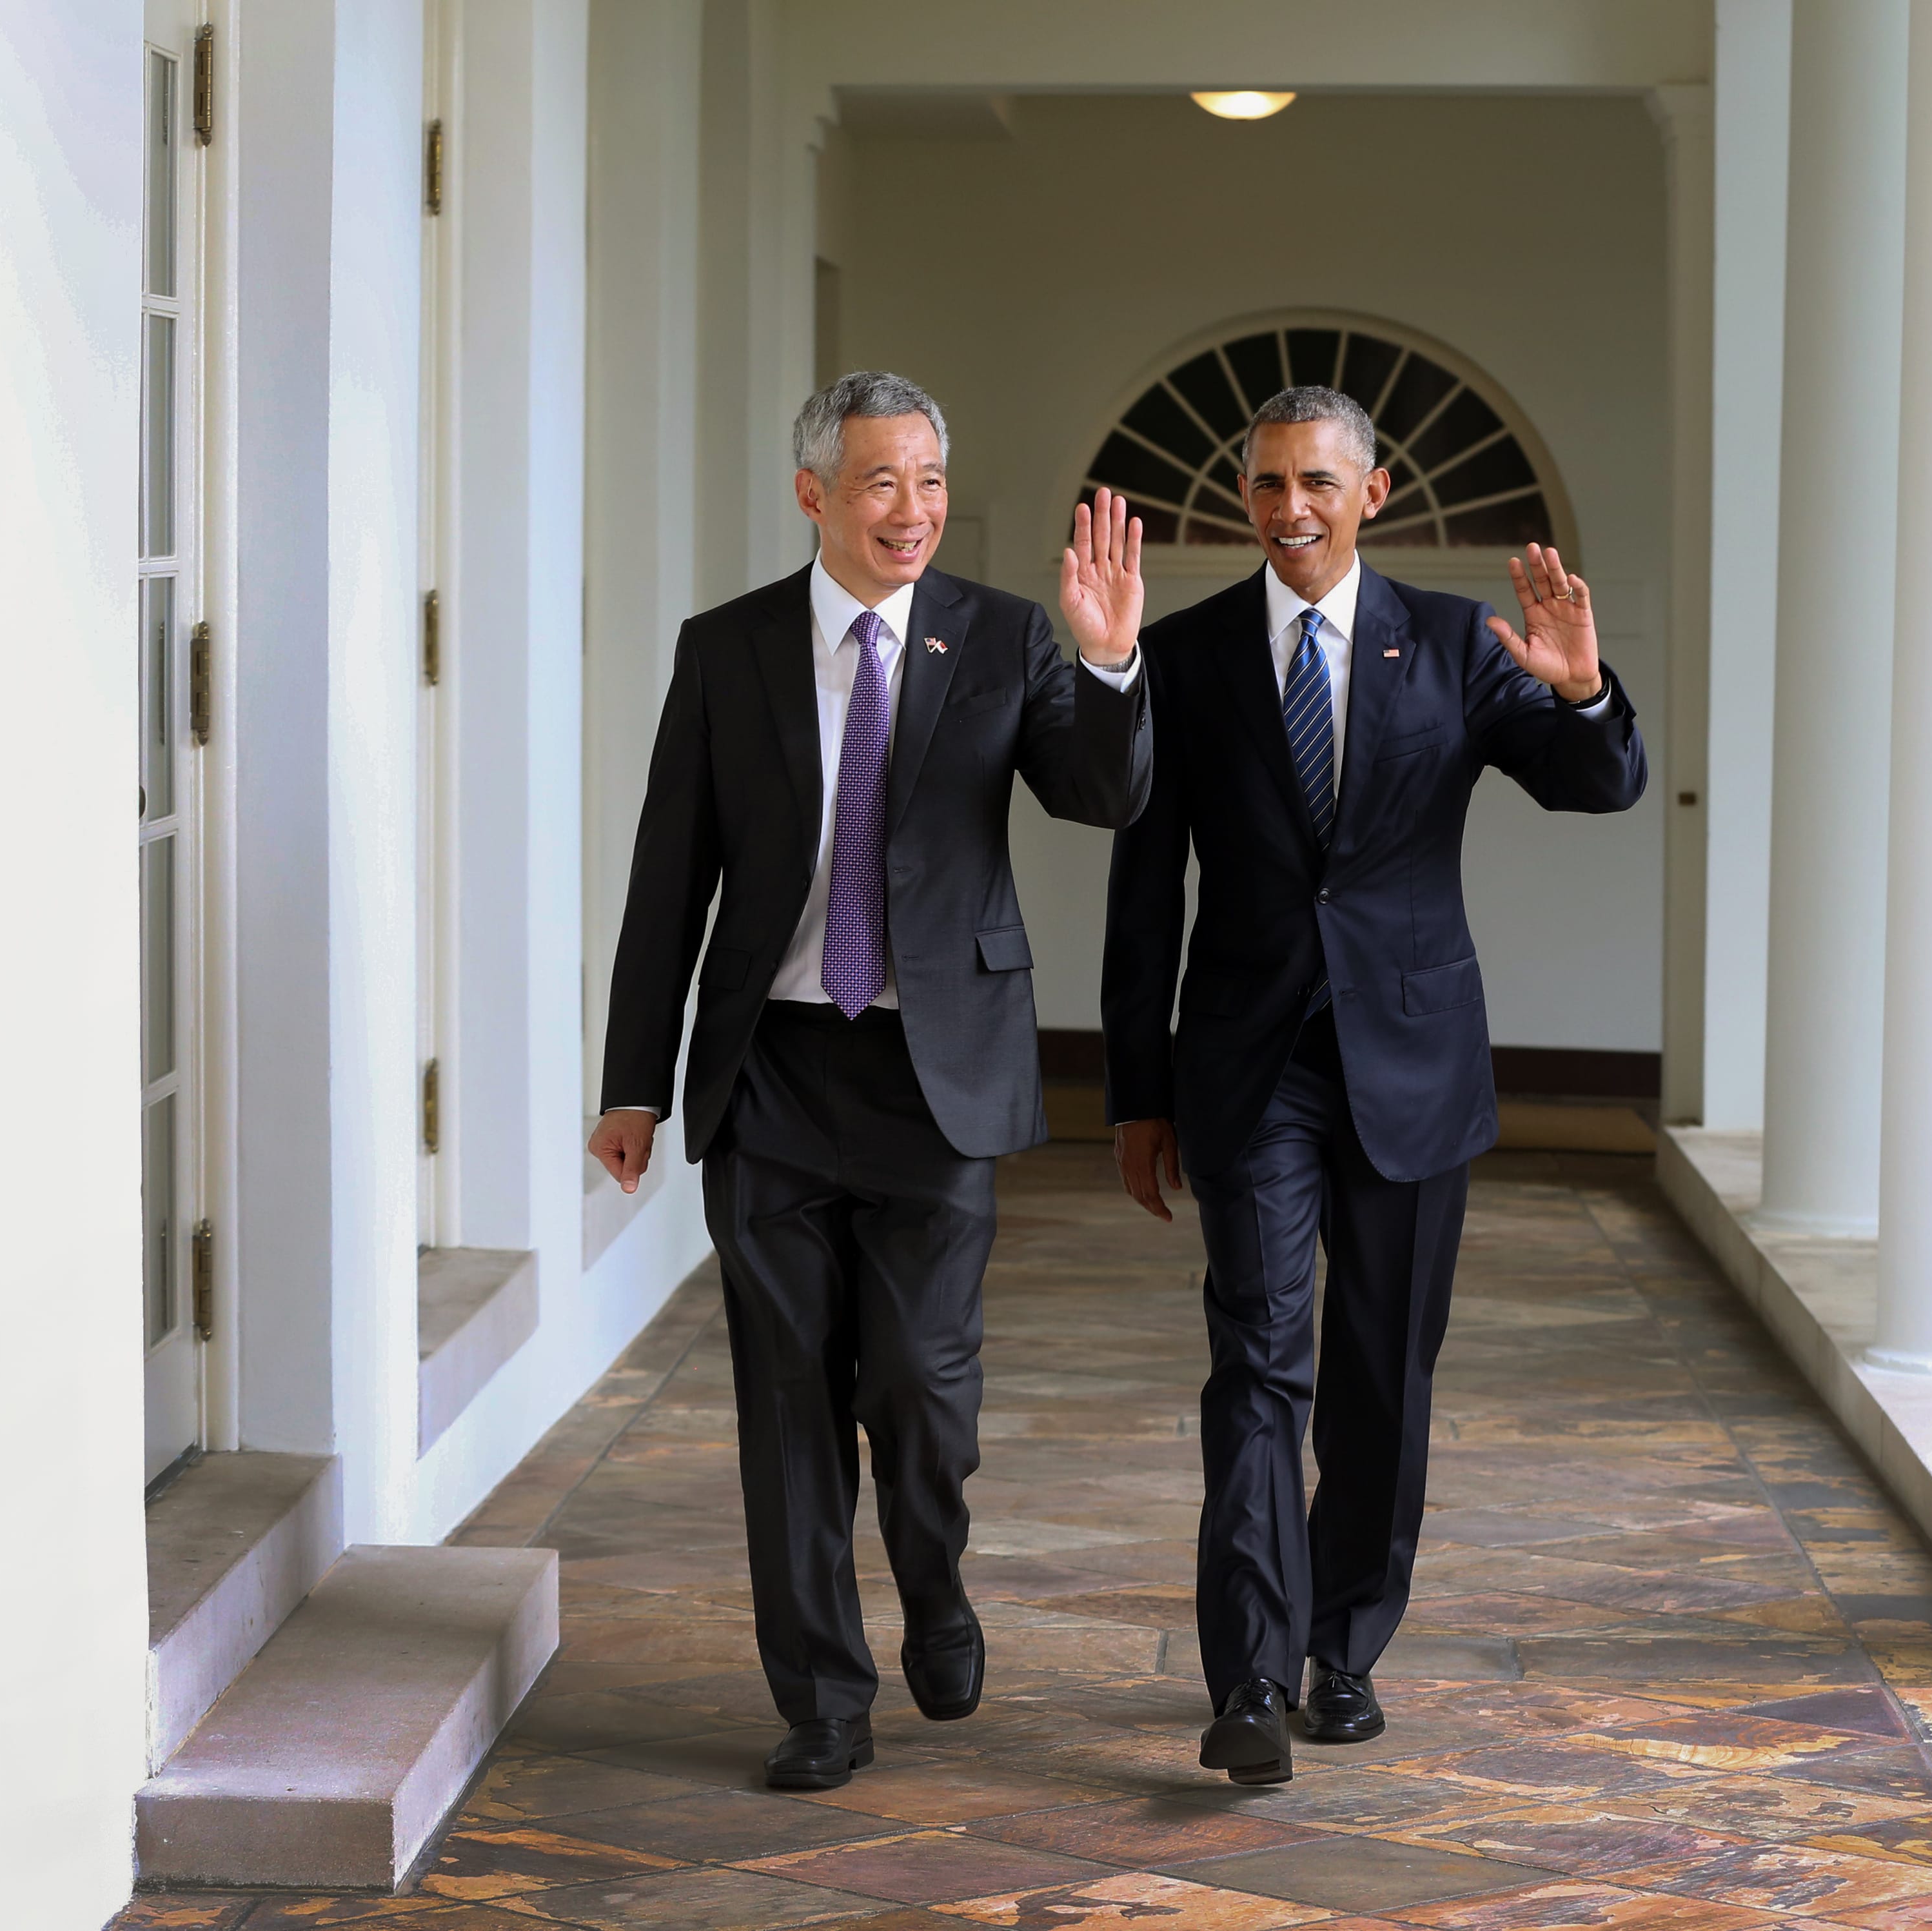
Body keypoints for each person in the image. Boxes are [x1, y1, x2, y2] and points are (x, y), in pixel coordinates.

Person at [591, 371, 1150, 1790]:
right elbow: (673, 875)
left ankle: (935, 1580)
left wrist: (1104, 667)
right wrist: (635, 1084)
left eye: (929, 484)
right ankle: (822, 1701)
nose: (911, 513)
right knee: (786, 1398)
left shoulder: (1004, 636)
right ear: (813, 496)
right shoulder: (727, 651)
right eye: (880, 484)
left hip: (935, 1074)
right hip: (771, 1071)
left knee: (918, 1383)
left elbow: (1101, 795)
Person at [1101, 385, 1646, 1786]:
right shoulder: (1183, 654)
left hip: (1411, 1063)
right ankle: (1250, 1681)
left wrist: (1582, 689)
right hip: (1249, 1067)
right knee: (1257, 1362)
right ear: (1247, 495)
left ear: (1373, 492)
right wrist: (1134, 1088)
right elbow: (1144, 889)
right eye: (1269, 483)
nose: (1290, 508)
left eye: (1317, 484)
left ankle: (1344, 1652)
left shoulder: (1459, 643)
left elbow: (1592, 788)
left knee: (1381, 1377)